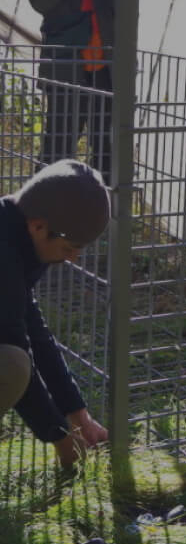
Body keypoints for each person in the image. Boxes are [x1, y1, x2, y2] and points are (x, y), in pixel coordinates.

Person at [0, 159, 111, 468]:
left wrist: (78, 414)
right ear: (38, 227)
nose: (74, 258)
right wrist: (61, 437)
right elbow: (13, 346)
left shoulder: (13, 233)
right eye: (69, 247)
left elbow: (32, 329)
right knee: (11, 365)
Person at [28, 0, 115, 184]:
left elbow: (125, 15)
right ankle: (41, 204)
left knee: (106, 150)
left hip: (104, 75)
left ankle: (103, 207)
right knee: (58, 149)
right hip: (66, 74)